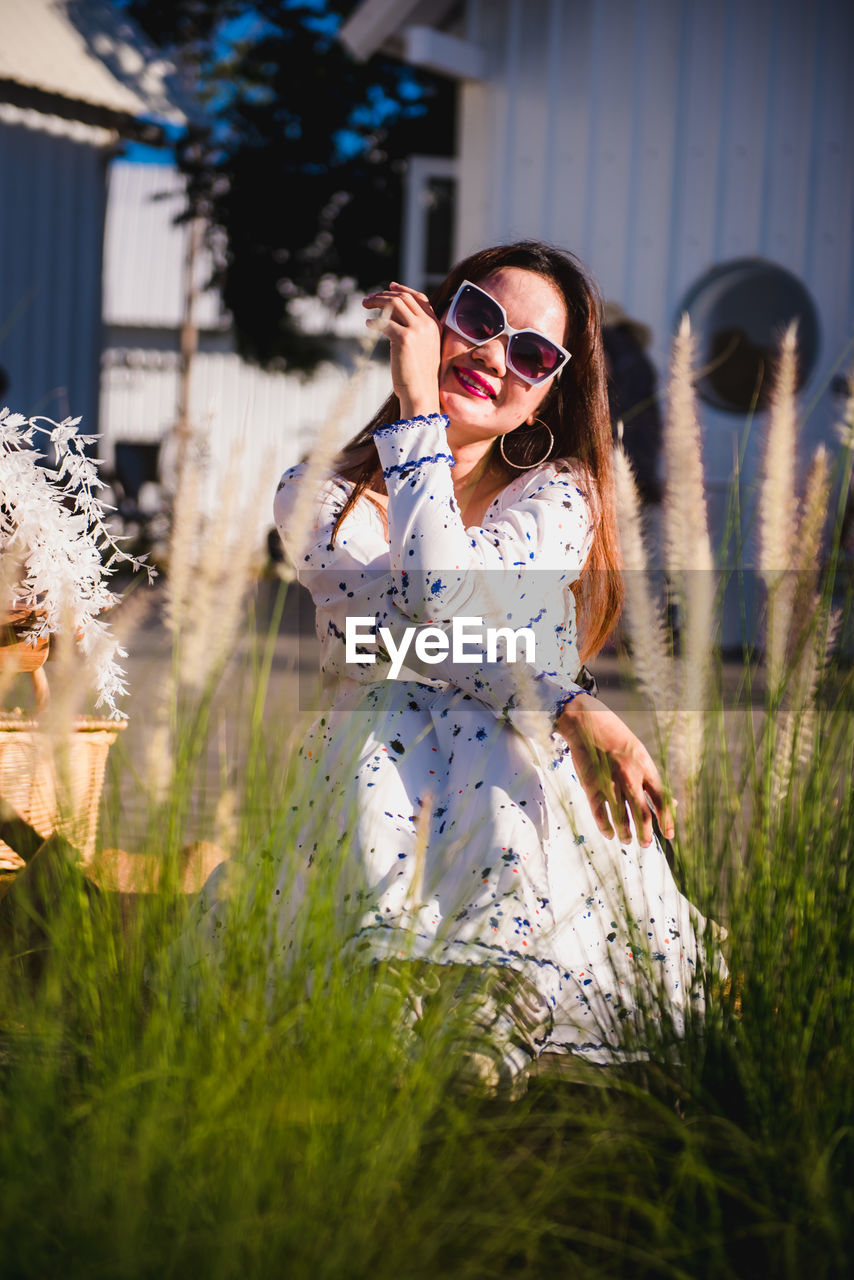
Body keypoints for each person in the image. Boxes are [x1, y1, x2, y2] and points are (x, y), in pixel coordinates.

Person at [262, 242, 716, 1088]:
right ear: (436, 317)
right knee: (397, 703)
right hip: (384, 790)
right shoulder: (317, 492)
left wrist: (414, 420)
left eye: (534, 354)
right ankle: (396, 981)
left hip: (518, 798)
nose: (494, 355)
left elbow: (436, 603)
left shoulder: (563, 492)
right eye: (478, 318)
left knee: (460, 706)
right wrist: (573, 705)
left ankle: (489, 983)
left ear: (548, 392)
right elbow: (406, 635)